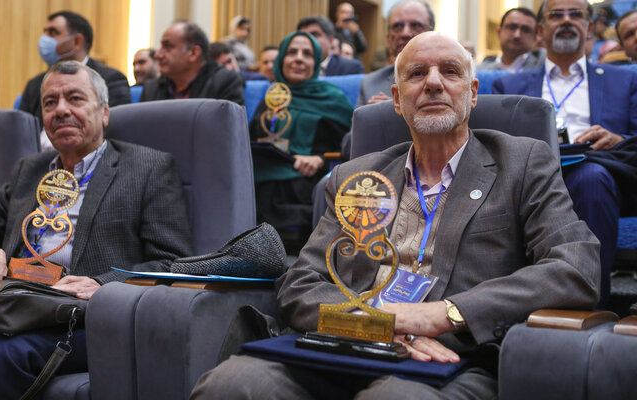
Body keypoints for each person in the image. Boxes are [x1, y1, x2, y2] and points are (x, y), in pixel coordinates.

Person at [191, 32, 600, 400]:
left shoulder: (522, 162)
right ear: (397, 98)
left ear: (473, 93)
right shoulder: (358, 177)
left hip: (452, 357)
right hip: (346, 347)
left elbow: (575, 266)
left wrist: (445, 313)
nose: (434, 83)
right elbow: (302, 282)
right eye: (417, 73)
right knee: (232, 385)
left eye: (450, 72)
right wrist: (378, 325)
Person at [0, 61, 193, 399]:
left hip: (80, 315)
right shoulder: (30, 170)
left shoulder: (147, 168)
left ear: (104, 112)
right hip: (12, 304)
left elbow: (173, 262)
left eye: (75, 98)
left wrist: (104, 284)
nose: (61, 110)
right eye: (50, 103)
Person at [492, 0, 637, 305]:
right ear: (541, 31)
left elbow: (635, 142)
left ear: (591, 26)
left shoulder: (623, 81)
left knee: (591, 178)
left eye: (576, 15)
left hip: (600, 172)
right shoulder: (512, 85)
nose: (567, 21)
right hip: (532, 175)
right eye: (556, 15)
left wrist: (618, 140)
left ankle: (589, 305)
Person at [250, 31, 353, 246]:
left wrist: (320, 159)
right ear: (281, 60)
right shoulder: (272, 97)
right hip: (260, 185)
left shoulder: (333, 99)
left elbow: (350, 148)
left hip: (306, 188)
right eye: (291, 52)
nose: (298, 58)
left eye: (307, 54)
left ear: (315, 63)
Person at [19, 11, 131, 149]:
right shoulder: (35, 84)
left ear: (77, 41)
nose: (44, 39)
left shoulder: (111, 79)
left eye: (53, 32)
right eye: (50, 102)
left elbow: (112, 133)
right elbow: (21, 135)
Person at [141, 21, 244, 105]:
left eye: (167, 47)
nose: (158, 55)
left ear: (194, 53)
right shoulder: (151, 89)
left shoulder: (225, 82)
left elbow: (228, 128)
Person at [357, 0, 435, 107]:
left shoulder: (452, 79)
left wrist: (395, 112)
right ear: (388, 39)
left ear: (432, 35)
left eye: (416, 25)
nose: (405, 33)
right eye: (398, 26)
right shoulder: (370, 84)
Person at [478, 7, 545, 72]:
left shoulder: (543, 68)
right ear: (499, 32)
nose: (517, 35)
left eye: (525, 30)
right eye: (512, 27)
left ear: (535, 38)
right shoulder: (480, 71)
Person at [296, 16, 364, 76]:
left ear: (330, 40)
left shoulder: (351, 68)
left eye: (314, 35)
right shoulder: (293, 67)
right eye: (304, 36)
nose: (308, 40)